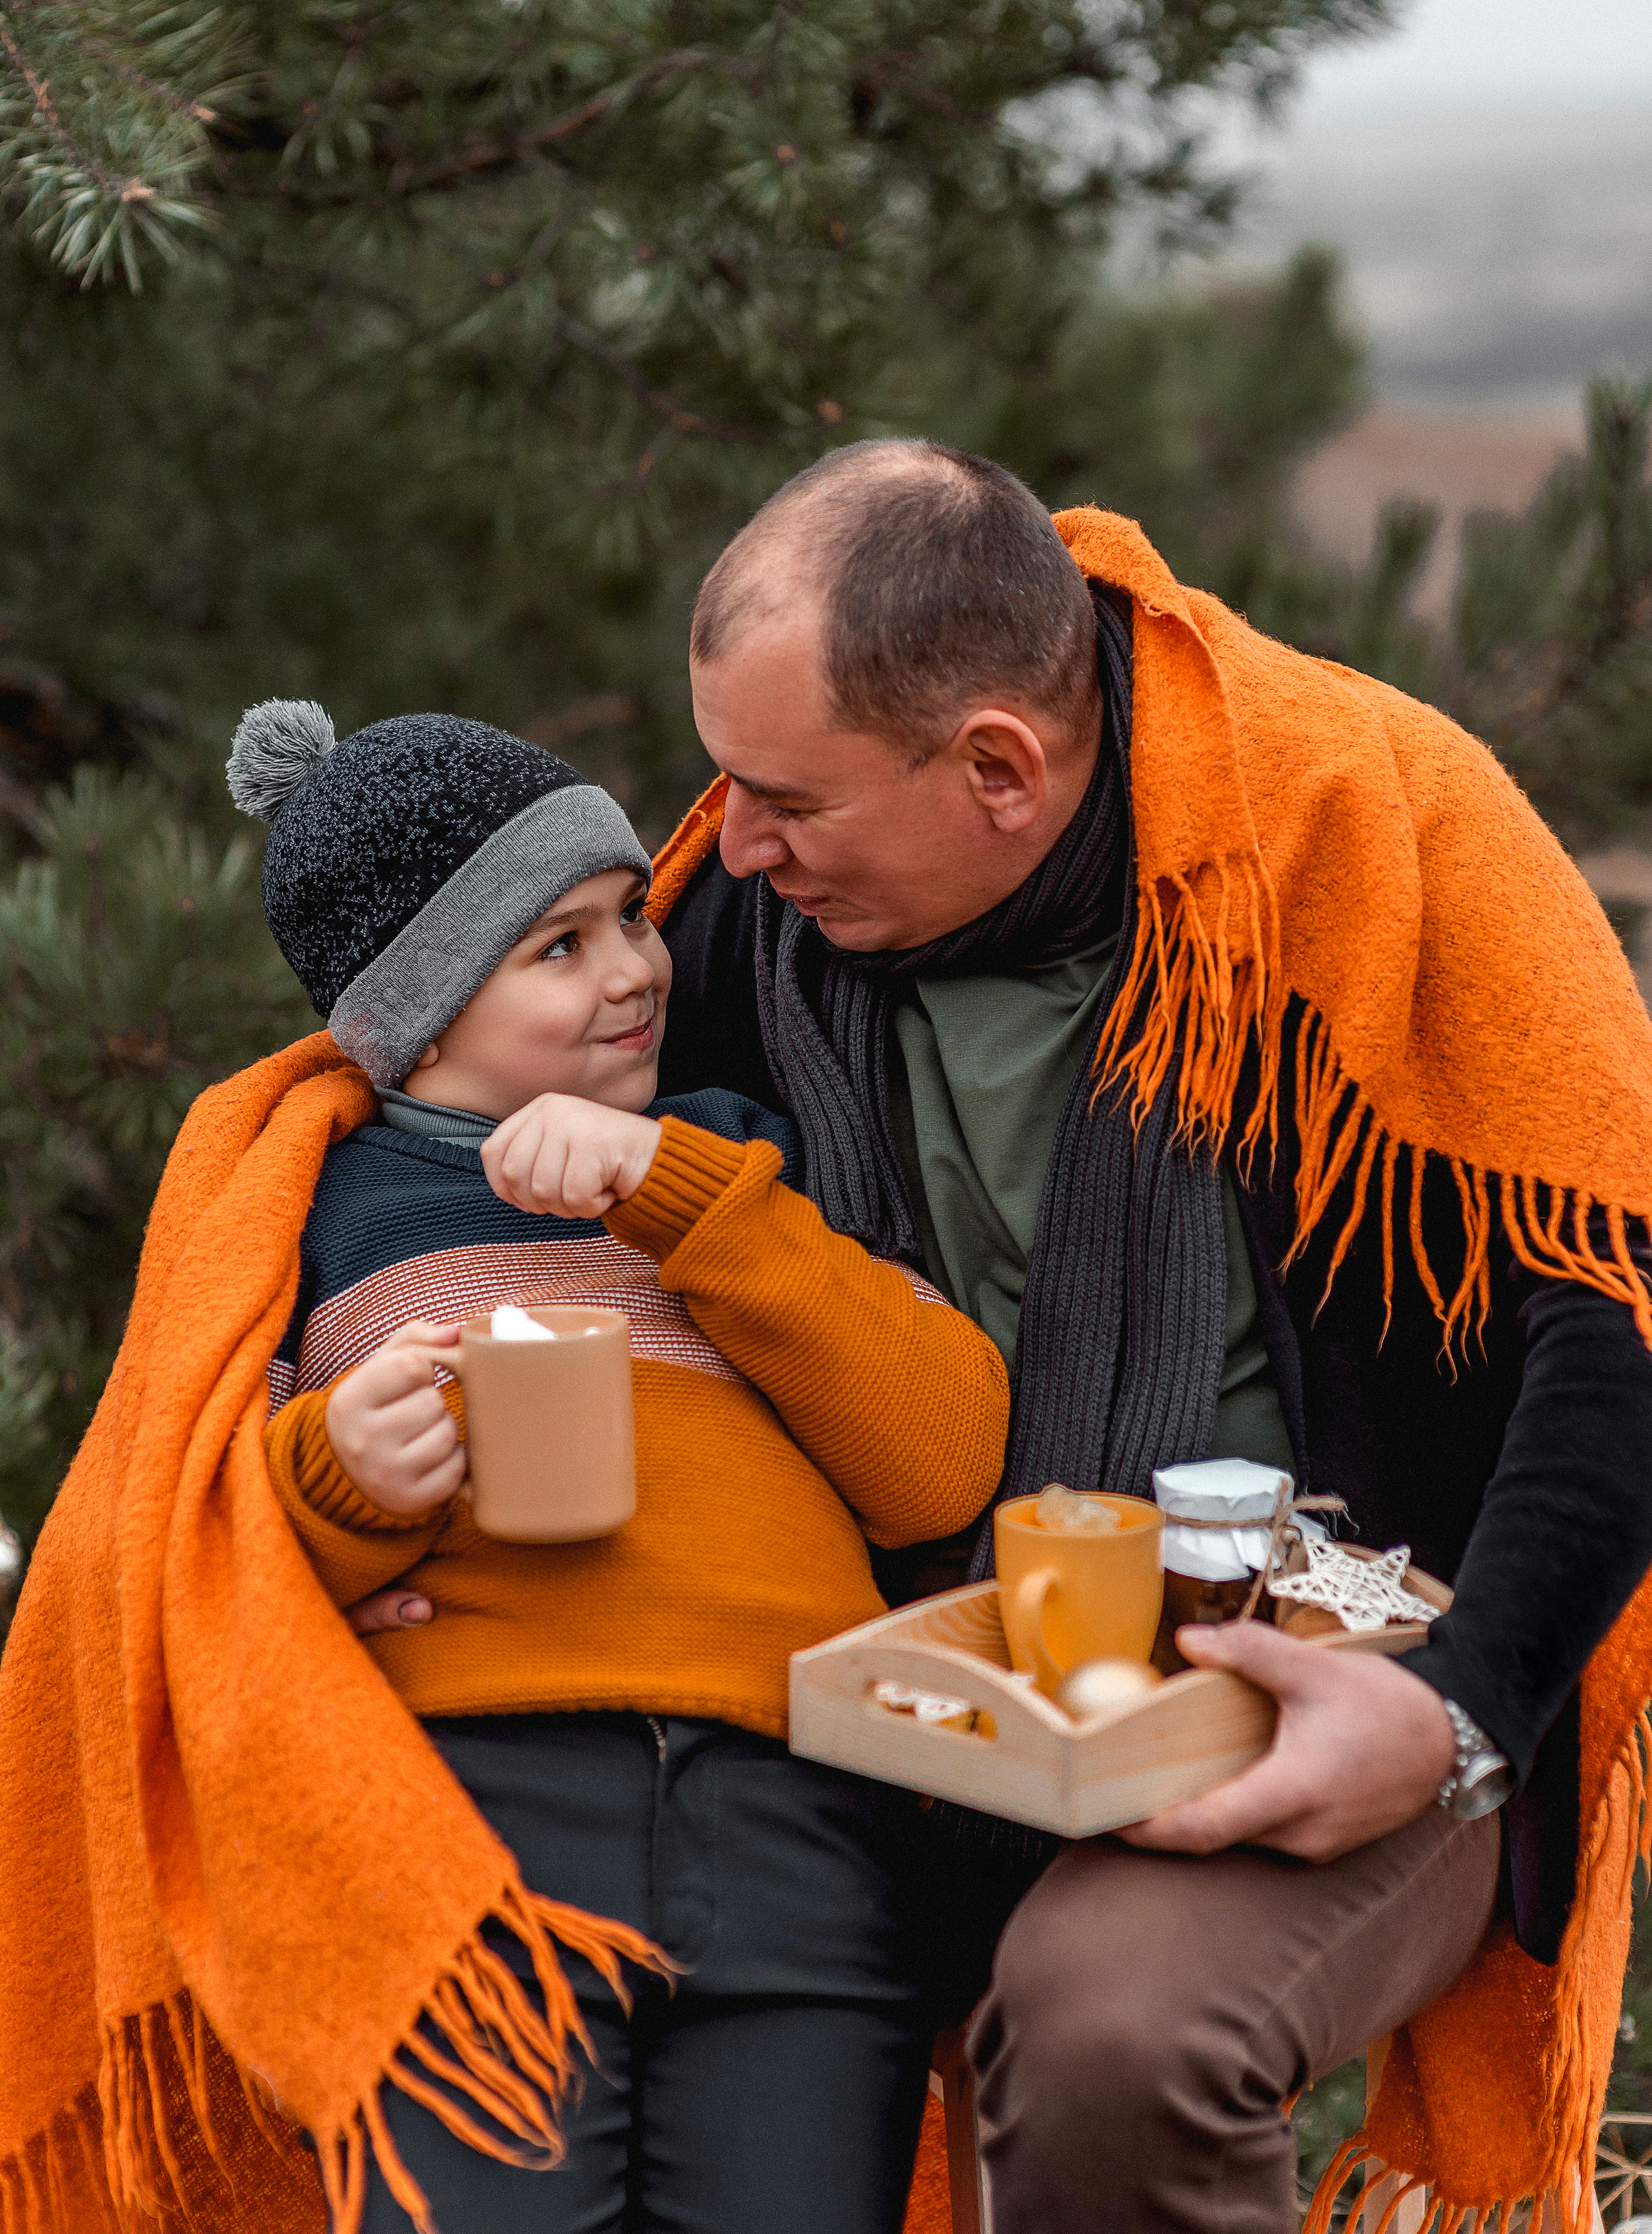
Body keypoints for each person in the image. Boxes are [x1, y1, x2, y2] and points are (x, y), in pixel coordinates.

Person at [361, 438, 1652, 2233]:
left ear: (999, 767)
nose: (719, 852)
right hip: (895, 1675)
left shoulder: (1377, 830)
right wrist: (333, 1501)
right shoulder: (760, 914)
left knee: (1117, 2031)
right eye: (724, 786)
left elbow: (1620, 1324)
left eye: (783, 799)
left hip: (1334, 1676)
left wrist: (1455, 1723)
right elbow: (424, 1115)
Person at [0, 700, 1009, 2234]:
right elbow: (192, 1560)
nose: (632, 971)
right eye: (558, 946)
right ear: (419, 1009)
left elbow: (938, 1462)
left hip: (795, 1832)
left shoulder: (736, 1166)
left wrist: (679, 1197)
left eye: (627, 919)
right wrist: (337, 1482)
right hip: (472, 1847)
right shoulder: (319, 1222)